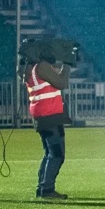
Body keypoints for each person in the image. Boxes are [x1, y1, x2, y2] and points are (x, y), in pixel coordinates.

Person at [26, 46, 74, 200]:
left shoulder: (29, 69)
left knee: (49, 153)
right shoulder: (42, 67)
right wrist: (67, 63)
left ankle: (42, 186)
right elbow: (62, 83)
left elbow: (54, 82)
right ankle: (47, 189)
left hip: (41, 115)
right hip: (50, 115)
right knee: (57, 154)